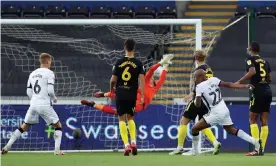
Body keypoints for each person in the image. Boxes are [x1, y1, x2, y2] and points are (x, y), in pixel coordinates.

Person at [2, 53, 64, 155]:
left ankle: (7, 146)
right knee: (58, 126)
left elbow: (28, 92)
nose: (51, 64)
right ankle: (57, 150)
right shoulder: (49, 73)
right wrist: (54, 98)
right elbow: (50, 90)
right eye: (50, 62)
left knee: (24, 126)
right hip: (44, 104)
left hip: (34, 103)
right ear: (48, 61)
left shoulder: (32, 74)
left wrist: (35, 99)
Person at [191, 69, 262, 156]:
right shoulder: (213, 79)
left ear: (200, 77)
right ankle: (255, 141)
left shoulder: (199, 87)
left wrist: (196, 98)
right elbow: (228, 84)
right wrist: (244, 86)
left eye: (195, 77)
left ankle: (195, 152)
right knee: (231, 130)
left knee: (194, 129)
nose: (194, 78)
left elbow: (197, 105)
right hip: (224, 109)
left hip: (216, 112)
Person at [81, 54, 174, 115]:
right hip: (136, 97)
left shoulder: (155, 87)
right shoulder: (146, 79)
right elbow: (151, 70)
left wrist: (165, 66)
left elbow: (162, 79)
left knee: (118, 112)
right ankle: (103, 95)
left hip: (140, 105)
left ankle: (93, 104)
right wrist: (161, 63)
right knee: (119, 96)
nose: (152, 76)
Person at [170, 50, 220, 155]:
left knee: (183, 121)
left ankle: (180, 147)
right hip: (207, 100)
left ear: (196, 58)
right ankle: (214, 143)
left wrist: (191, 95)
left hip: (198, 99)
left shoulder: (198, 70)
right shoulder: (209, 69)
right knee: (200, 125)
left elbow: (198, 86)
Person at [106, 39, 146, 156]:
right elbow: (142, 81)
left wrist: (111, 90)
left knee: (121, 119)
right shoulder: (139, 63)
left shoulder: (118, 62)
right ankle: (133, 142)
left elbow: (113, 80)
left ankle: (126, 145)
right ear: (134, 48)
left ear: (124, 47)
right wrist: (142, 96)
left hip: (120, 93)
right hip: (132, 93)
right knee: (130, 118)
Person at [236, 41, 272, 156]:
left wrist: (239, 82)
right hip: (267, 90)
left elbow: (252, 72)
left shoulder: (250, 59)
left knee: (252, 119)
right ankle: (262, 149)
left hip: (258, 91)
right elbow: (269, 77)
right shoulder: (265, 61)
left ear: (250, 49)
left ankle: (257, 148)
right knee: (264, 120)